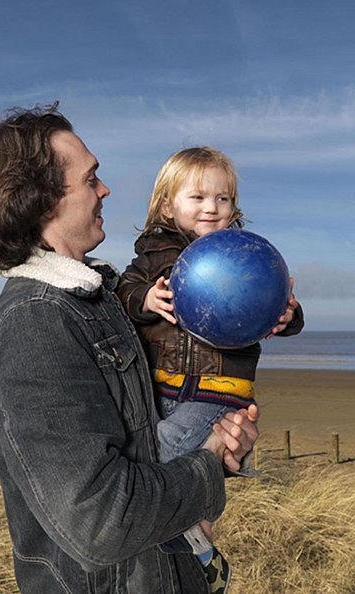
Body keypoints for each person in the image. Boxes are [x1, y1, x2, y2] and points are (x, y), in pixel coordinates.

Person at [0, 106, 260, 594]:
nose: (106, 190)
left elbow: (147, 437)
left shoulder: (100, 297)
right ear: (42, 200)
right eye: (91, 178)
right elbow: (101, 522)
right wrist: (207, 467)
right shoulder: (36, 320)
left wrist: (221, 449)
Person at [117, 146, 304, 589]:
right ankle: (198, 544)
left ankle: (192, 541)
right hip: (164, 386)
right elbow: (124, 292)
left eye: (222, 199)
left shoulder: (244, 256)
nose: (211, 209)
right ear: (168, 204)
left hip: (220, 390)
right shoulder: (151, 257)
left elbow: (282, 304)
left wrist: (286, 315)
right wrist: (145, 299)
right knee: (177, 455)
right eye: (197, 197)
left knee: (161, 451)